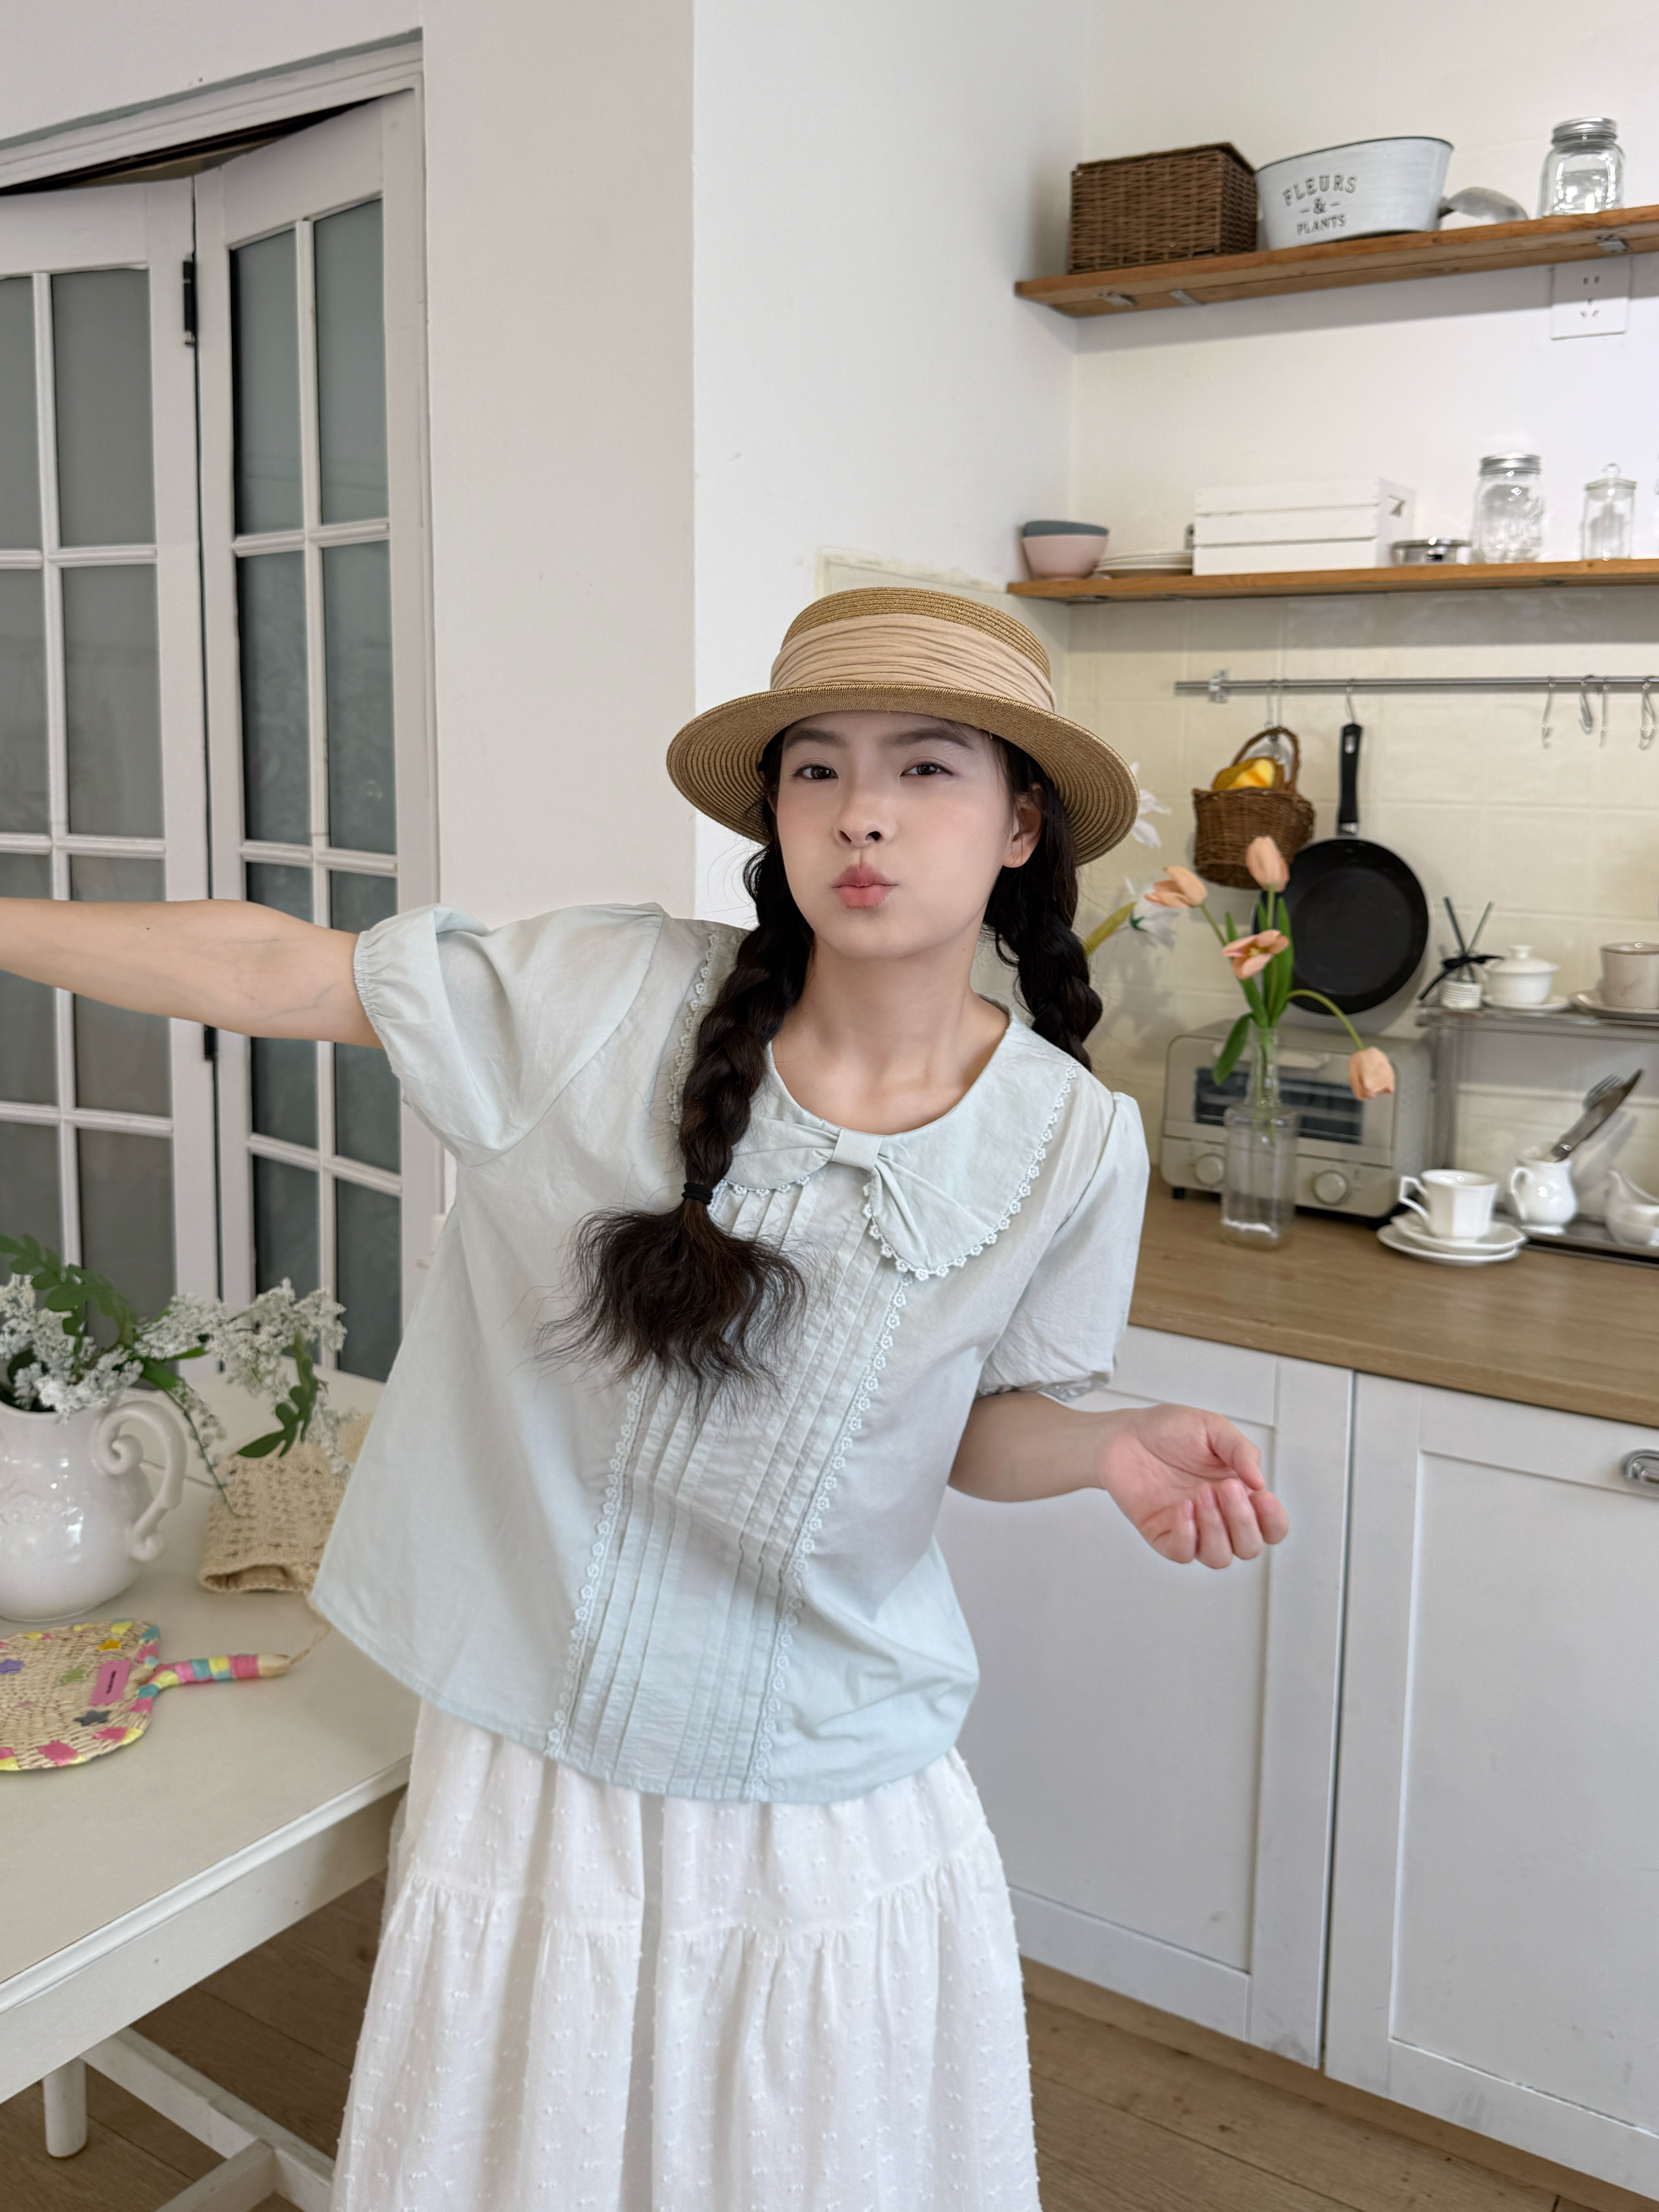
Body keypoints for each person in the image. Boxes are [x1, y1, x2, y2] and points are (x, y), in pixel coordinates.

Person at [0, 587, 1287, 2209]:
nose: (864, 812)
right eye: (816, 769)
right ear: (776, 816)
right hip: (548, 1772)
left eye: (926, 768)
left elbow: (964, 1429)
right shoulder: (610, 1002)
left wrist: (1107, 1448)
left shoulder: (1075, 1142)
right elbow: (279, 968)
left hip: (832, 1781)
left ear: (1021, 822)